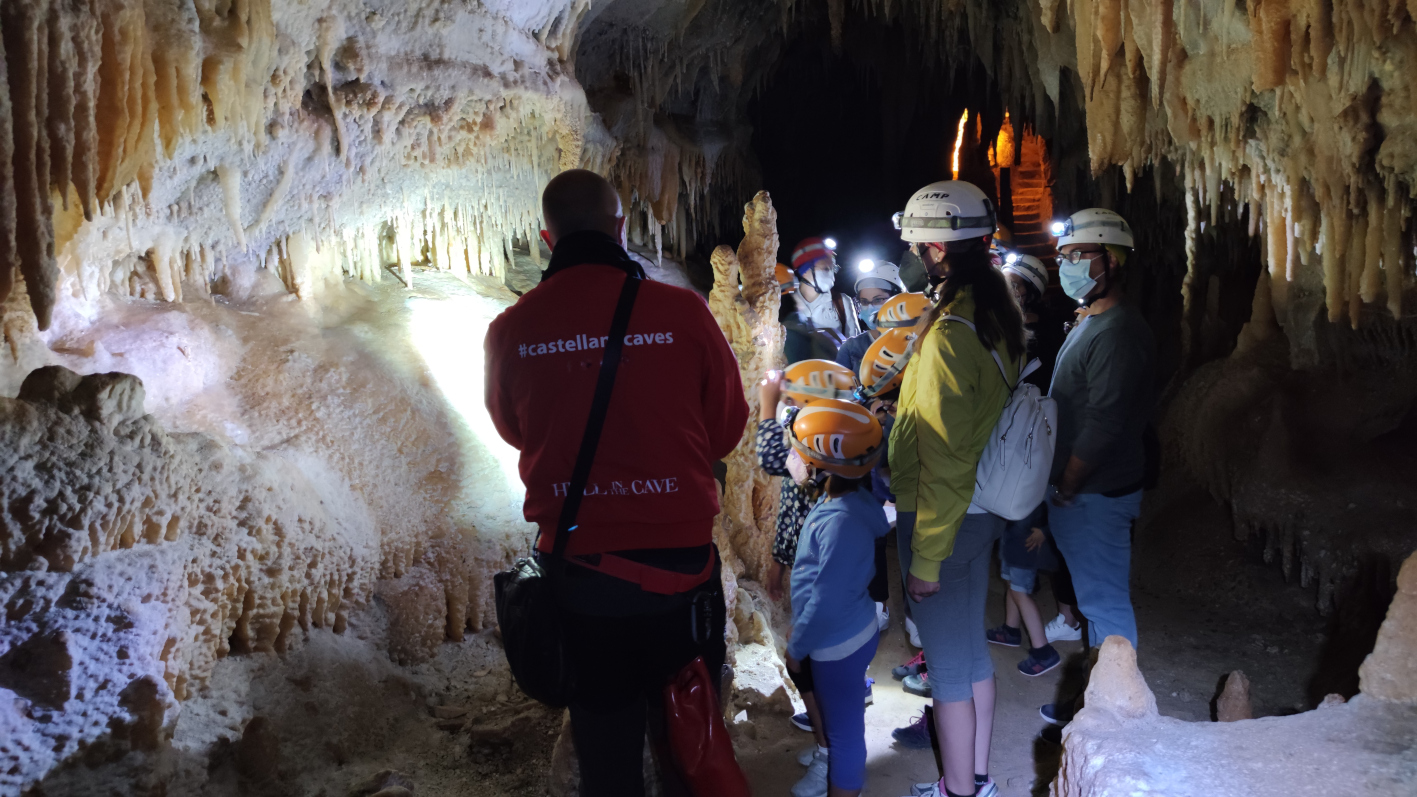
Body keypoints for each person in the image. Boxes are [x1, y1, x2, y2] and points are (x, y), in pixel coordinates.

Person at [483, 169, 749, 797]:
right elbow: (728, 427)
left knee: (607, 760)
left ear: (548, 239)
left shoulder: (512, 330)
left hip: (584, 580)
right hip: (682, 577)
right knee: (690, 741)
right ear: (621, 228)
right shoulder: (681, 312)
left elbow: (516, 430)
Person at [889, 180, 1025, 797]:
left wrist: (924, 559)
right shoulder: (995, 315)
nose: (918, 254)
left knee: (947, 671)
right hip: (977, 513)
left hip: (945, 517)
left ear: (940, 250)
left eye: (920, 244)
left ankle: (957, 791)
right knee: (970, 657)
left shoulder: (949, 334)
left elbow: (941, 455)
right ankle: (974, 780)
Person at [1039, 207, 1155, 725]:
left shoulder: (1117, 333)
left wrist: (1068, 481)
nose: (1066, 265)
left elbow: (1106, 423)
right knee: (1092, 598)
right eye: (1062, 256)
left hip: (1096, 493)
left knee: (1105, 603)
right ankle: (1097, 693)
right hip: (1083, 492)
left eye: (1077, 255)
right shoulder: (1094, 321)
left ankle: (1118, 713)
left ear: (1111, 260)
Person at [784, 399, 891, 797]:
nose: (792, 459)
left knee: (846, 736)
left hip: (836, 644)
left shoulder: (841, 522)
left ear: (821, 465)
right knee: (843, 723)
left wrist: (798, 645)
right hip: (848, 630)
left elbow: (826, 600)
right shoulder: (850, 500)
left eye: (798, 451)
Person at [1000, 253, 1083, 644]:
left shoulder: (1047, 332)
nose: (1010, 291)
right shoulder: (1004, 328)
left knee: (1044, 521)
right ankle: (1020, 605)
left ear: (1031, 291)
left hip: (1043, 432)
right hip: (1017, 433)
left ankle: (1066, 613)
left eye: (1016, 285)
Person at [984, 506, 1062, 676]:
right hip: (1011, 532)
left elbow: (1053, 497)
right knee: (1009, 581)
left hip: (1027, 538)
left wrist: (1045, 530)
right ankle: (1010, 631)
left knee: (1020, 592)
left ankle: (1043, 651)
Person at [836, 261, 906, 373]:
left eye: (878, 299)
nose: (870, 307)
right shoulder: (851, 348)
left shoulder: (915, 340)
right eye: (864, 301)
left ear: (898, 298)